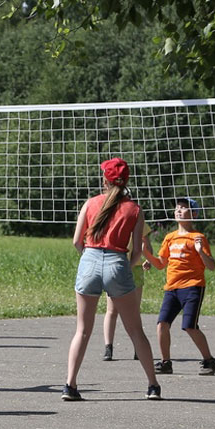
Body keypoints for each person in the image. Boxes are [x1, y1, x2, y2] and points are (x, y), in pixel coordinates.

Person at [63, 158, 160, 401]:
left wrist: (90, 259)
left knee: (82, 330)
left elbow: (77, 241)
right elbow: (137, 250)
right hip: (118, 260)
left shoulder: (90, 203)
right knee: (135, 330)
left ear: (104, 180)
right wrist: (124, 268)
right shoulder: (135, 210)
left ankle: (70, 385)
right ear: (126, 181)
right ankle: (152, 386)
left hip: (90, 260)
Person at [145, 197, 215, 376]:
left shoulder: (198, 237)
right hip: (172, 288)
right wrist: (146, 256)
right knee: (162, 324)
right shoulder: (169, 238)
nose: (178, 210)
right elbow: (161, 263)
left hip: (193, 287)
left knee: (190, 326)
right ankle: (166, 362)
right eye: (177, 208)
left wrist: (201, 251)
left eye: (184, 208)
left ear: (193, 214)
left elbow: (211, 266)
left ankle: (210, 361)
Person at [103, 221, 152, 361]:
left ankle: (138, 347)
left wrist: (148, 259)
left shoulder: (138, 220)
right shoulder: (112, 218)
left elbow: (147, 245)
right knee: (112, 310)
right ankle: (108, 347)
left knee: (134, 310)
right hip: (116, 266)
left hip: (135, 269)